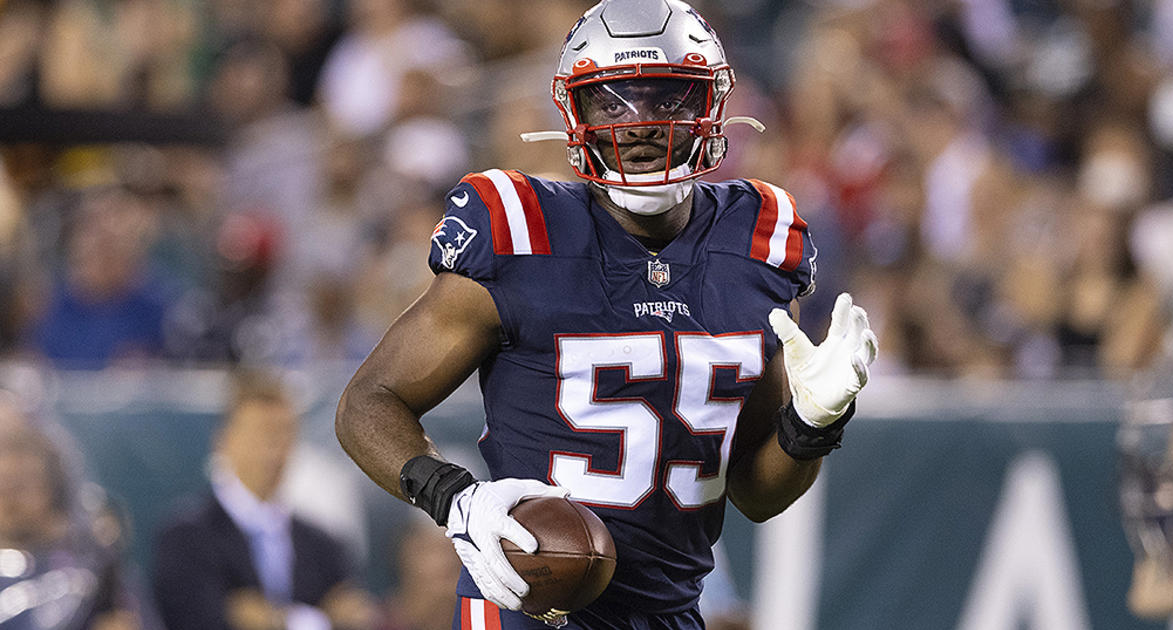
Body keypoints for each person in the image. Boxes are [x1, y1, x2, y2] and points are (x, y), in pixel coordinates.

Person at [335, 1, 878, 628]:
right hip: (526, 607)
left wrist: (812, 424)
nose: (639, 124)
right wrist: (458, 500)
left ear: (711, 106)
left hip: (672, 612)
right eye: (612, 102)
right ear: (574, 112)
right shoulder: (520, 231)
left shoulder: (756, 240)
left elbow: (758, 492)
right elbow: (367, 402)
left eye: (666, 99)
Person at [153, 372, 376, 630]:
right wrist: (320, 618)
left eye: (285, 434)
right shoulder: (187, 538)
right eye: (262, 433)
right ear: (225, 440)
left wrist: (272, 619)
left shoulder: (323, 545)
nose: (275, 448)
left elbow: (355, 614)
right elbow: (199, 618)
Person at [0, 407, 151, 630]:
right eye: (3, 483)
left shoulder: (95, 575)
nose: (10, 497)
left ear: (54, 492)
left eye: (22, 484)